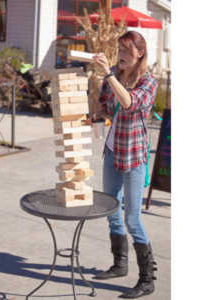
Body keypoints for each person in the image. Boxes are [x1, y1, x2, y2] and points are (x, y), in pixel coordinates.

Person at [92, 31, 158, 298]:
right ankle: (120, 264)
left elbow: (130, 103)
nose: (120, 54)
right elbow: (107, 107)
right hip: (112, 152)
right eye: (118, 49)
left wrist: (108, 75)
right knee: (111, 209)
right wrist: (95, 109)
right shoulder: (115, 79)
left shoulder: (149, 82)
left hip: (133, 157)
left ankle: (147, 279)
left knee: (132, 218)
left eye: (125, 50)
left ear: (139, 53)